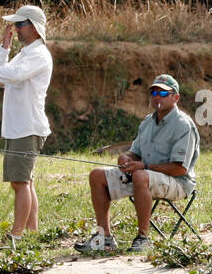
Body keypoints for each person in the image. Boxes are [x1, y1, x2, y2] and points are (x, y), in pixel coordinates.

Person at [75, 74, 201, 254]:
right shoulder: (148, 122)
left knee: (141, 176)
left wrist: (144, 167)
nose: (157, 96)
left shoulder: (183, 125)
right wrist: (125, 157)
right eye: (154, 92)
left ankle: (143, 238)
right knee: (97, 174)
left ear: (176, 98)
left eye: (164, 93)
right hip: (143, 175)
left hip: (178, 183)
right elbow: (134, 152)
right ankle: (104, 238)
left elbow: (180, 168)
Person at [0, 5, 53, 240]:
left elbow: (10, 75)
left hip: (28, 127)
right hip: (19, 128)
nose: (16, 29)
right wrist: (4, 48)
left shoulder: (38, 55)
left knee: (19, 183)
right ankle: (31, 233)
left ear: (34, 28)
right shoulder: (25, 54)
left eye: (20, 24)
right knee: (26, 182)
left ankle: (17, 236)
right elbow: (2, 77)